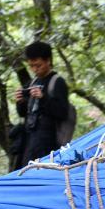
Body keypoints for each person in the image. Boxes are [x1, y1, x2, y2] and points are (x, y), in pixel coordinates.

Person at [13, 40, 71, 169]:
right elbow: (23, 113)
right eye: (31, 66)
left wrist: (43, 98)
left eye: (38, 65)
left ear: (48, 61)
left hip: (49, 143)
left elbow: (62, 112)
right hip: (29, 140)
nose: (35, 69)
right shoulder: (32, 83)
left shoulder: (58, 82)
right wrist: (20, 102)